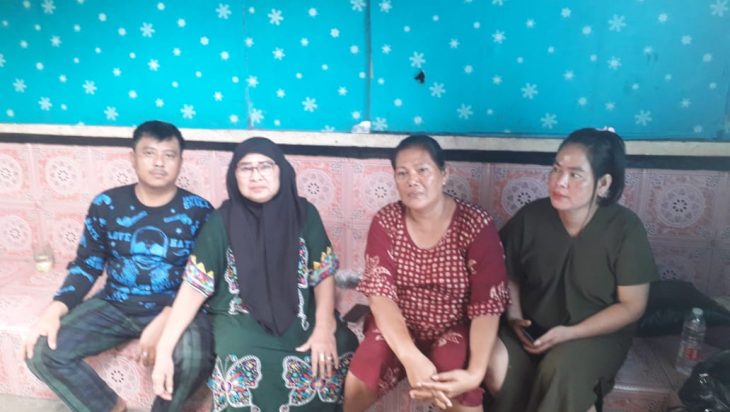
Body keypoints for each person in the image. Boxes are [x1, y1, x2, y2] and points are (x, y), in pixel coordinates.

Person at [152, 137, 358, 412]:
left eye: (265, 166)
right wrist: (164, 349)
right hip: (239, 318)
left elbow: (323, 273)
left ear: (281, 171)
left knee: (341, 344)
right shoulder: (222, 221)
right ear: (234, 175)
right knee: (242, 356)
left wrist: (324, 327)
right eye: (246, 168)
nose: (256, 175)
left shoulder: (304, 214)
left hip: (302, 315)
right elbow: (195, 286)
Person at [23, 120, 215, 412]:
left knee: (194, 357)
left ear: (180, 162)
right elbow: (87, 264)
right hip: (116, 303)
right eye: (149, 153)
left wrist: (166, 318)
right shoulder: (107, 204)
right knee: (42, 352)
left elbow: (203, 278)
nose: (159, 163)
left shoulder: (199, 211)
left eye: (169, 155)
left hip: (178, 308)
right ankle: (112, 407)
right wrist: (55, 310)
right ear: (132, 158)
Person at [486, 128, 658, 412]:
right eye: (556, 169)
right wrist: (514, 316)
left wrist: (570, 333)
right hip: (530, 330)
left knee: (559, 369)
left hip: (593, 335)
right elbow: (508, 270)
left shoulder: (625, 229)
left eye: (575, 174)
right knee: (493, 361)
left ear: (603, 183)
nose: (560, 182)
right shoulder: (532, 217)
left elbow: (632, 306)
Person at [344, 135, 510, 412]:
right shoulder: (386, 221)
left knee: (452, 370)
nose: (413, 180)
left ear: (444, 174)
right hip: (399, 325)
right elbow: (380, 295)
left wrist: (475, 373)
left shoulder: (475, 224)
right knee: (364, 370)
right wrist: (410, 356)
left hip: (453, 327)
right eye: (402, 173)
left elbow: (488, 304)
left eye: (422, 170)